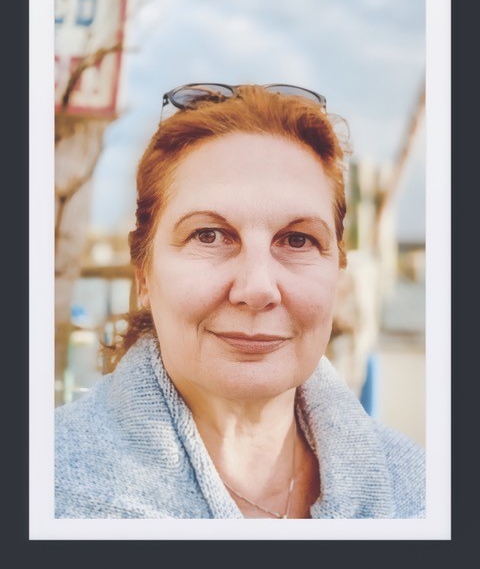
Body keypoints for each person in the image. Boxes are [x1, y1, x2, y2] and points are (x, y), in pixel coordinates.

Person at [55, 84, 425, 519]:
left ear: (336, 273)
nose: (257, 289)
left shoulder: (419, 492)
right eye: (209, 235)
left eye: (297, 240)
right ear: (144, 276)